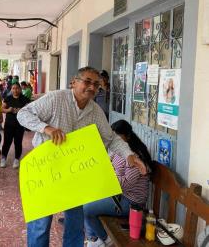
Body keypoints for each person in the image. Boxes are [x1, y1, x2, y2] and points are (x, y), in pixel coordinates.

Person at [17, 66, 147, 247]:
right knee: (40, 225)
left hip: (74, 174)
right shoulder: (56, 99)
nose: (92, 87)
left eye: (96, 85)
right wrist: (46, 128)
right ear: (74, 82)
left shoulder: (95, 111)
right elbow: (23, 114)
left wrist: (129, 155)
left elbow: (110, 139)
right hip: (45, 171)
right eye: (87, 81)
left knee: (75, 225)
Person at [84, 119, 153, 247]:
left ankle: (105, 239)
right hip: (118, 196)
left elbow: (124, 184)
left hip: (131, 203)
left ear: (128, 136)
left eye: (117, 136)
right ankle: (93, 239)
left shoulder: (135, 155)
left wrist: (105, 176)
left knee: (86, 209)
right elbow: (108, 166)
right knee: (85, 197)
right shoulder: (119, 150)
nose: (114, 140)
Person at [0, 82, 30, 169]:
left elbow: (30, 109)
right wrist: (8, 110)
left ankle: (17, 159)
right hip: (9, 124)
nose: (15, 90)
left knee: (18, 142)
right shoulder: (8, 98)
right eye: (13, 88)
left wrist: (22, 110)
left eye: (17, 88)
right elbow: (1, 109)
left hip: (20, 125)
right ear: (11, 89)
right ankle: (3, 158)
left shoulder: (24, 99)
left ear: (20, 89)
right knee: (6, 142)